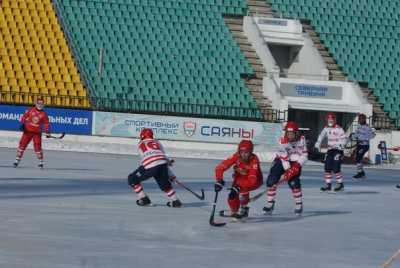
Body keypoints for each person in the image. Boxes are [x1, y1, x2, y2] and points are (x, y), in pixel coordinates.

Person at [127, 128, 182, 207]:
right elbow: (162, 158)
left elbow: (146, 159)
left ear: (142, 136)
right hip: (162, 163)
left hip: (149, 165)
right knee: (165, 184)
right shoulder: (157, 142)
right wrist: (172, 176)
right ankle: (175, 201)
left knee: (132, 178)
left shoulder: (140, 144)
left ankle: (144, 199)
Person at [263, 121, 307, 215]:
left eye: (292, 133)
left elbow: (305, 155)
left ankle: (298, 203)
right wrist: (288, 170)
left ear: (296, 133)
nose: (289, 135)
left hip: (296, 161)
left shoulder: (302, 139)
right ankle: (270, 204)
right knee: (271, 180)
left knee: (294, 182)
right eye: (288, 133)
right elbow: (283, 157)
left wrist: (296, 166)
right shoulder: (282, 140)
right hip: (282, 160)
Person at [214, 140, 263, 219]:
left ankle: (244, 207)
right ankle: (234, 211)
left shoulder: (254, 160)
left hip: (256, 181)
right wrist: (219, 180)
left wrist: (239, 186)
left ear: (251, 152)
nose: (244, 155)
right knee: (232, 196)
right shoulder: (236, 156)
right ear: (239, 151)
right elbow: (220, 167)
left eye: (246, 152)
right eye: (242, 152)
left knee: (242, 189)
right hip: (240, 178)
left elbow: (252, 180)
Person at [14, 98, 50, 168]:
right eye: (38, 103)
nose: (40, 105)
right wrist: (22, 124)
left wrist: (47, 132)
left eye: (41, 104)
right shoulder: (30, 110)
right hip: (28, 132)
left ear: (43, 105)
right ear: (36, 104)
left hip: (37, 133)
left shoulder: (44, 114)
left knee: (37, 147)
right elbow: (24, 117)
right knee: (22, 145)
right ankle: (17, 160)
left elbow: (46, 124)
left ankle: (41, 162)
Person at [315, 112, 347, 192]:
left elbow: (344, 139)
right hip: (330, 150)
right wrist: (318, 143)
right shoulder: (326, 128)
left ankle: (340, 185)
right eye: (329, 119)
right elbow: (321, 136)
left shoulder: (339, 129)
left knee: (336, 168)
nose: (330, 121)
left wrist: (341, 145)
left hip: (338, 151)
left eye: (332, 119)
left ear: (335, 120)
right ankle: (328, 185)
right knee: (327, 167)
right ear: (327, 120)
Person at [351, 113, 375, 179]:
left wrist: (364, 139)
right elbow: (356, 135)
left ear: (364, 119)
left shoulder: (367, 127)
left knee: (358, 158)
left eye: (361, 119)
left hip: (364, 145)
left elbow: (372, 135)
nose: (360, 120)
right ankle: (362, 173)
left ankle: (360, 173)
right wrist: (352, 137)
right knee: (357, 159)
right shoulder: (358, 126)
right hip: (359, 145)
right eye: (359, 119)